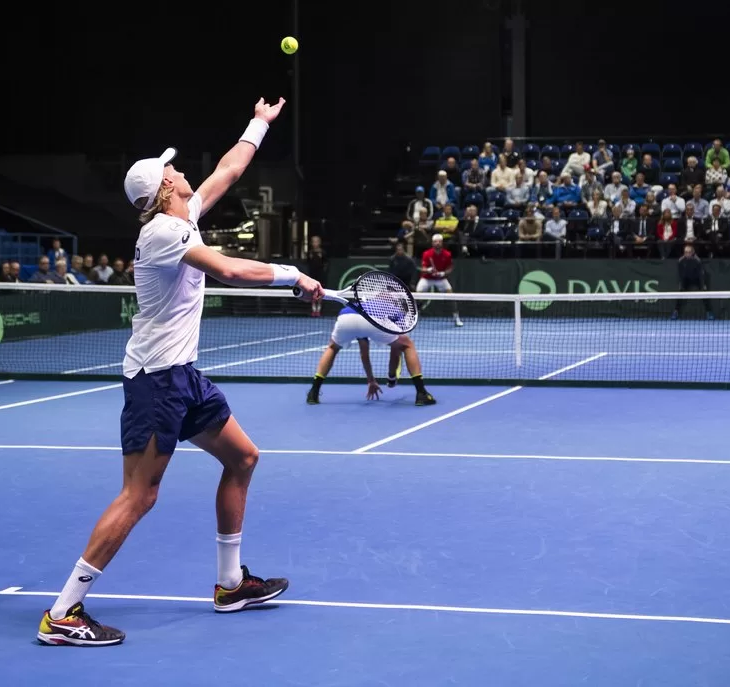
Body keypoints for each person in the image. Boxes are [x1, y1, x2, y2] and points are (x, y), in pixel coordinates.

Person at [37, 97, 324, 647]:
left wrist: (259, 123)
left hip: (183, 376)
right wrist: (294, 276)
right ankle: (63, 612)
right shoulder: (163, 235)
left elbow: (229, 170)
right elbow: (231, 270)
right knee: (139, 495)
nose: (182, 169)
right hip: (156, 381)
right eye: (172, 168)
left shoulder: (181, 219)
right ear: (165, 187)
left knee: (243, 458)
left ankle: (230, 585)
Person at [306, 297, 436, 406]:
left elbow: (364, 352)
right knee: (407, 345)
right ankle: (421, 393)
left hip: (345, 316)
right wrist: (391, 377)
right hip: (373, 318)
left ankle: (313, 392)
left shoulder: (365, 303)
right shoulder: (398, 312)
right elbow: (395, 350)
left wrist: (371, 380)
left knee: (332, 348)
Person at [416, 234, 463, 327]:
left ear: (442, 243)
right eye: (435, 241)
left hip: (440, 279)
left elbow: (450, 268)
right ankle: (415, 315)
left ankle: (456, 317)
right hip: (427, 278)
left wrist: (443, 273)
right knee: (417, 294)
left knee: (451, 296)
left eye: (439, 241)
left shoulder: (447, 254)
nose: (437, 243)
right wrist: (428, 270)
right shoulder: (426, 254)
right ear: (432, 243)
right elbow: (423, 268)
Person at [670, 245, 713, 320]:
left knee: (704, 293)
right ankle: (675, 312)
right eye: (686, 252)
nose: (687, 254)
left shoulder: (697, 260)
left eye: (689, 252)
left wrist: (703, 284)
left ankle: (709, 312)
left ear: (693, 252)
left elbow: (701, 274)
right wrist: (681, 284)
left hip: (697, 279)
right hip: (686, 279)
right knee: (680, 293)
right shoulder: (680, 261)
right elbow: (680, 274)